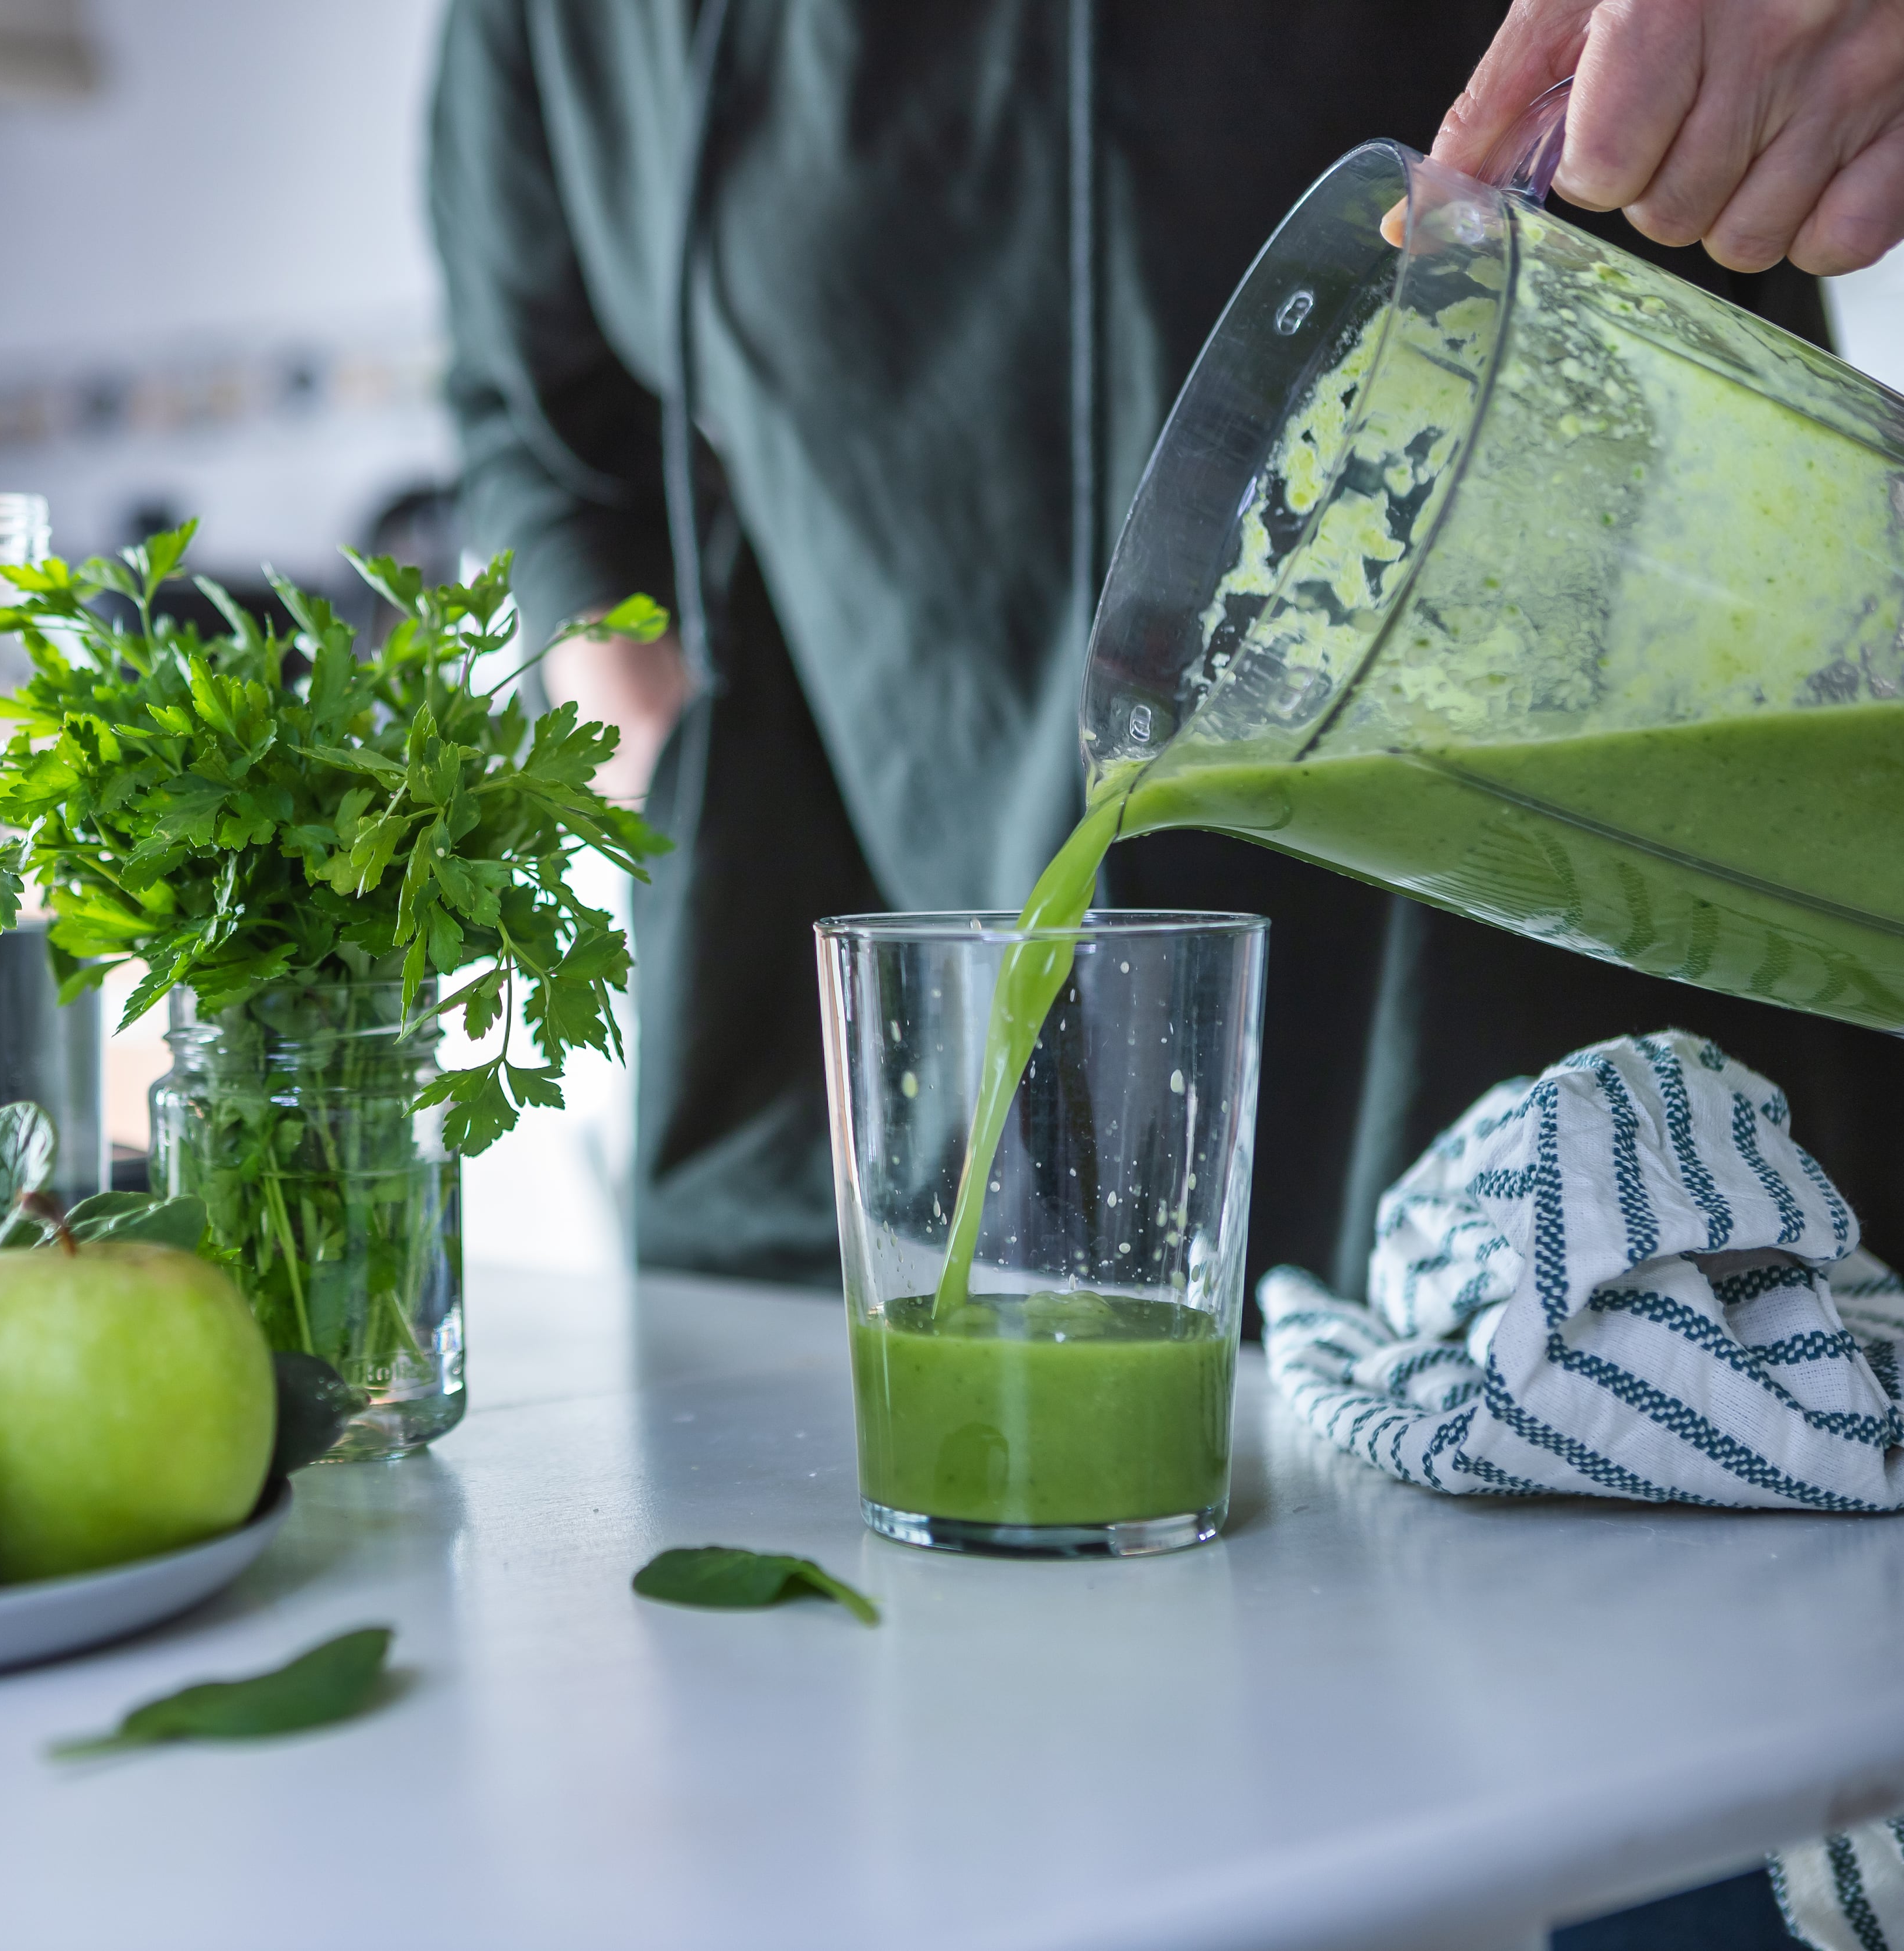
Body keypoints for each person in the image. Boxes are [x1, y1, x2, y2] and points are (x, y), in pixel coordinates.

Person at [427, 0, 1904, 1302]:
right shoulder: (573, 29)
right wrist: (651, 745)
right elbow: (541, 435)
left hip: (1624, 1027)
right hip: (929, 1084)